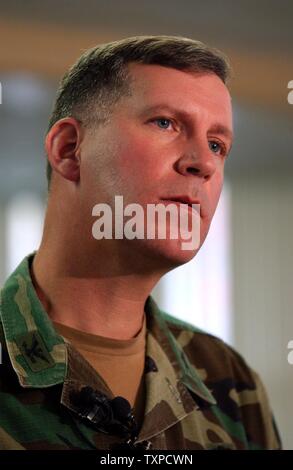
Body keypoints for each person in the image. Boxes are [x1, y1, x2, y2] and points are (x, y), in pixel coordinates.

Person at [0, 35, 281, 450]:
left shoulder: (232, 385)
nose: (202, 163)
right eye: (165, 123)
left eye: (218, 145)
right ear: (70, 150)